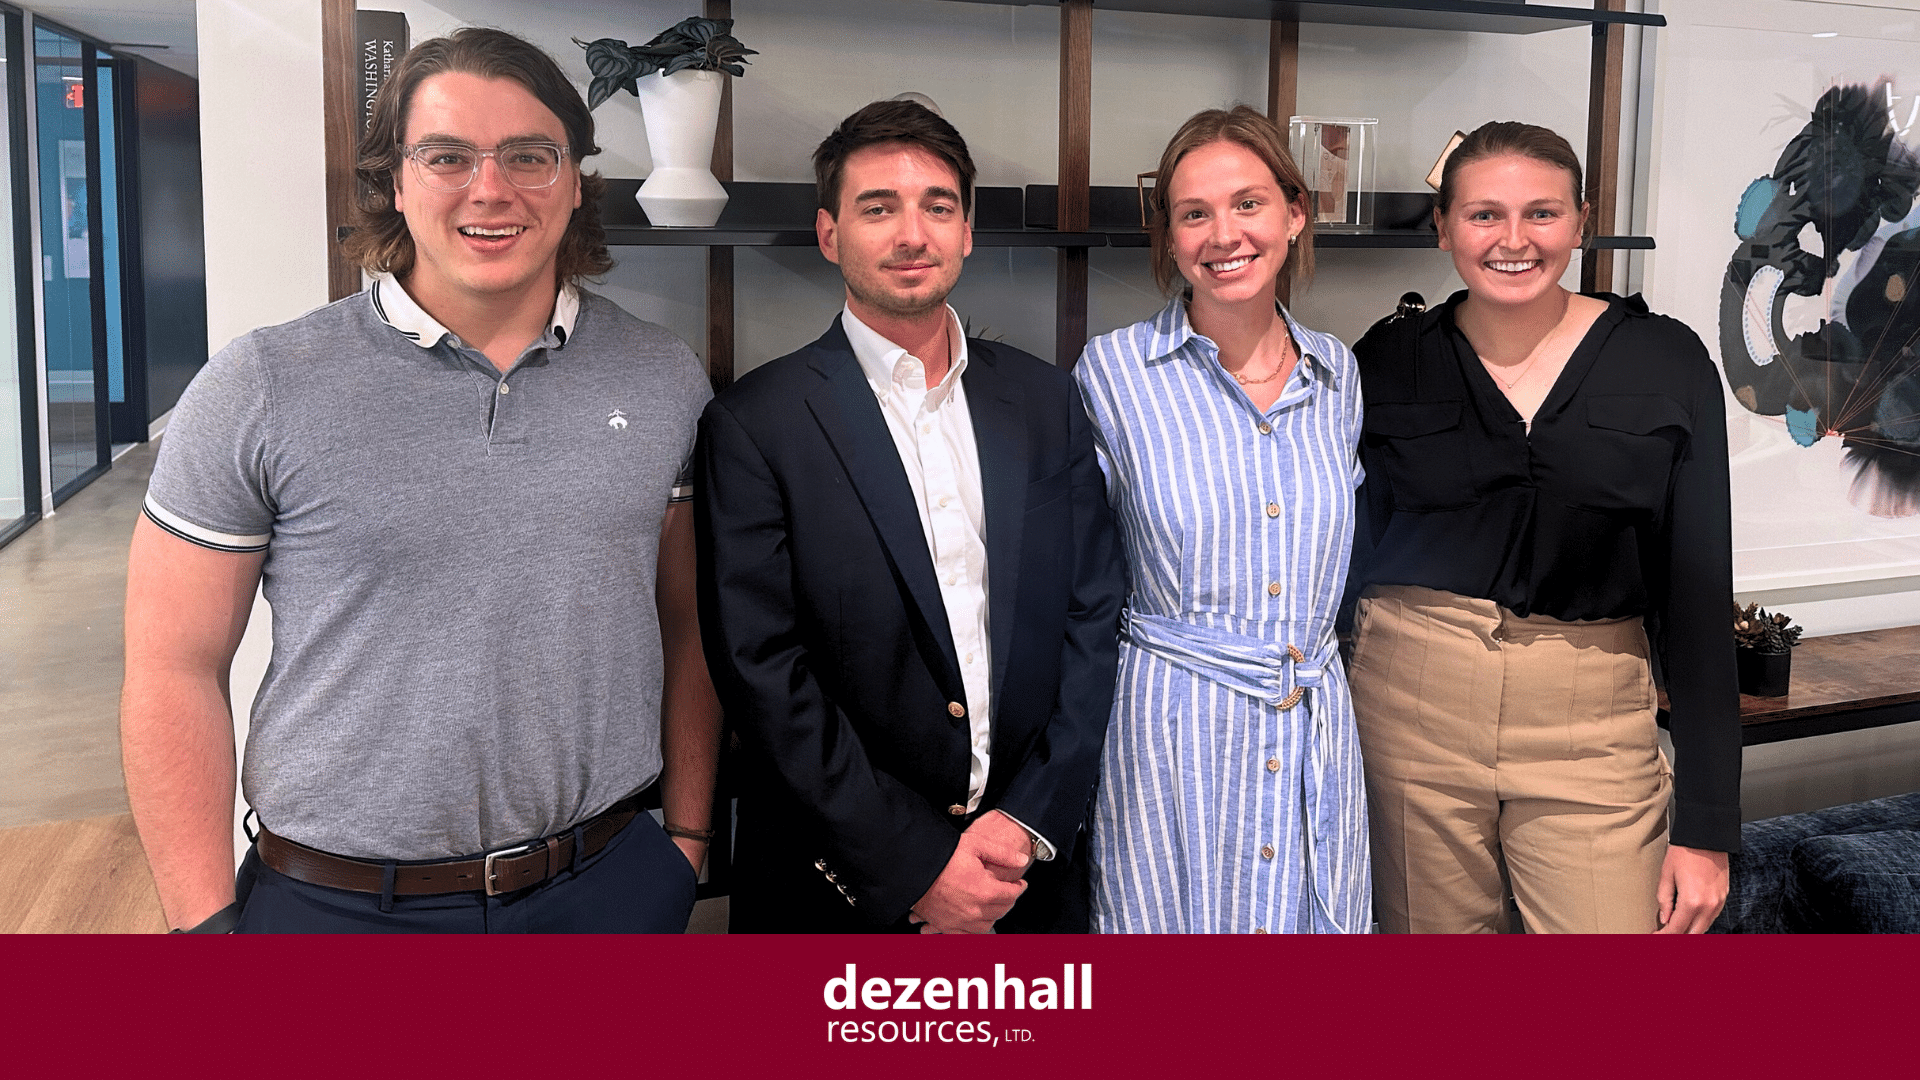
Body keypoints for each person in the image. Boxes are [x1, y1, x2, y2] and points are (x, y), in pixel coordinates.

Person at [121, 28, 721, 933]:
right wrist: (205, 931)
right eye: (446, 156)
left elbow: (692, 628)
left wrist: (683, 841)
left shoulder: (663, 376)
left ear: (574, 182)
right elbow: (172, 670)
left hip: (607, 887)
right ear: (393, 181)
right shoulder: (262, 384)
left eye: (530, 155)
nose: (492, 189)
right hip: (339, 908)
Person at [696, 99, 1125, 933]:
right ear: (829, 235)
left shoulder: (1043, 400)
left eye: (938, 205)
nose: (912, 234)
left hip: (1026, 875)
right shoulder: (756, 423)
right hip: (839, 887)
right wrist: (916, 865)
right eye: (878, 207)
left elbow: (1093, 612)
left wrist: (1028, 821)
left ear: (967, 230)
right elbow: (762, 672)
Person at [1345, 121, 1740, 934]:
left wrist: (1707, 825)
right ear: (1443, 226)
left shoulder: (1666, 361)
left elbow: (1699, 591)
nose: (1514, 240)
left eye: (1543, 214)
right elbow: (1337, 562)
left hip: (1591, 721)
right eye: (1484, 214)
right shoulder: (1383, 362)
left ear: (1582, 221)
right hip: (1409, 708)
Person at [1073, 106, 1371, 934]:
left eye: (1248, 204)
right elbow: (1078, 575)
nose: (1223, 234)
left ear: (1295, 212)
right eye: (1193, 213)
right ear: (1168, 237)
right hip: (1172, 734)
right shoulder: (1115, 371)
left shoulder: (1338, 371)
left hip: (1315, 723)